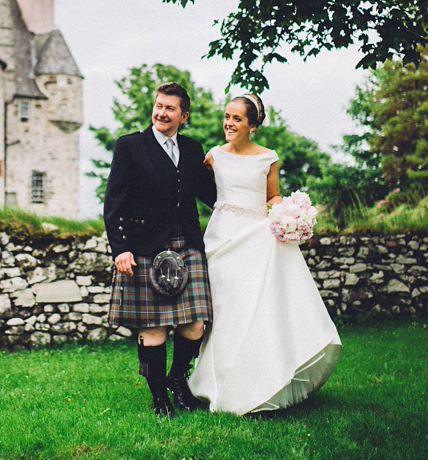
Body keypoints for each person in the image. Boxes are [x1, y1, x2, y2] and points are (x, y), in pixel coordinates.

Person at [188, 93, 342, 415]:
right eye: (227, 117)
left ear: (252, 126)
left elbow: (272, 196)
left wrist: (288, 215)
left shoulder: (268, 158)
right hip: (222, 236)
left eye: (237, 119)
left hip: (257, 237)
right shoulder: (213, 156)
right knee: (224, 310)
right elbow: (199, 190)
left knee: (255, 309)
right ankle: (217, 384)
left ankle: (260, 381)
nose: (229, 123)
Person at [105, 82, 218, 416]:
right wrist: (120, 248)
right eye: (158, 105)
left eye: (170, 108)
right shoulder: (130, 146)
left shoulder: (194, 148)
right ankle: (159, 398)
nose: (161, 113)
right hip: (144, 247)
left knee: (195, 323)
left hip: (187, 245)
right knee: (153, 328)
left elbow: (210, 196)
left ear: (183, 116)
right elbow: (113, 202)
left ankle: (177, 379)